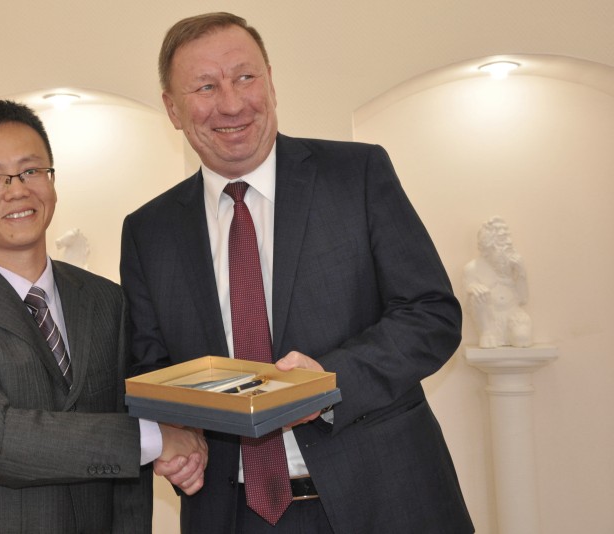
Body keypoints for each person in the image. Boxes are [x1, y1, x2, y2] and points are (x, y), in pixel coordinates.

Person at [120, 12, 474, 533]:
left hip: (386, 499)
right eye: (205, 86)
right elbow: (152, 370)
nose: (232, 104)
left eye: (245, 77)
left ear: (271, 81)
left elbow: (431, 315)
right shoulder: (148, 231)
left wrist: (327, 382)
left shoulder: (357, 174)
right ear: (173, 108)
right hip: (232, 515)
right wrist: (175, 437)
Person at [0, 100, 206, 533]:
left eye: (31, 170)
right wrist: (155, 439)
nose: (17, 190)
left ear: (52, 181)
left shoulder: (108, 301)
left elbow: (127, 474)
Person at [463, 216, 532, 348]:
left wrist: (521, 273)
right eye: (500, 245)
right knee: (479, 294)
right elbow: (467, 306)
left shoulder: (513, 264)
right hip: (488, 318)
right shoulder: (472, 268)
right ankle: (487, 332)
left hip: (513, 313)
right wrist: (471, 289)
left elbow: (523, 298)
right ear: (487, 247)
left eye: (507, 246)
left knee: (522, 338)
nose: (505, 251)